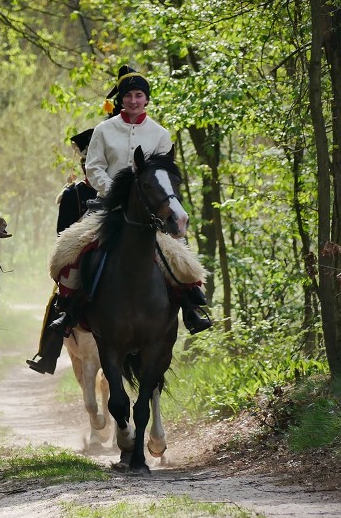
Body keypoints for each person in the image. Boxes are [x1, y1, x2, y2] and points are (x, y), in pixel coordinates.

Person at [49, 65, 212, 337]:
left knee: (178, 252)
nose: (133, 101)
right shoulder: (104, 130)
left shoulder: (160, 134)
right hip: (109, 205)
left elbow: (164, 172)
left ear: (146, 99)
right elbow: (94, 167)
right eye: (128, 96)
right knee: (71, 247)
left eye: (139, 95)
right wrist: (115, 190)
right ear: (120, 99)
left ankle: (190, 308)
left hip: (150, 211)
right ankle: (68, 308)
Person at [26, 128, 97, 374]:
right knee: (61, 296)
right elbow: (63, 236)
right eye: (89, 164)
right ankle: (49, 352)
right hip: (82, 255)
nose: (94, 170)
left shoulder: (121, 191)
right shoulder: (73, 194)